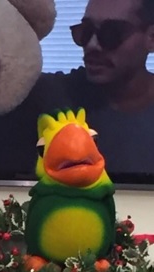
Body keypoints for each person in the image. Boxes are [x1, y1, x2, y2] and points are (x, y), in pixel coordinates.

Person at [39, 0, 154, 177]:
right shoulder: (56, 95)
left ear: (151, 38)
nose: (92, 45)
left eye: (112, 33)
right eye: (86, 31)